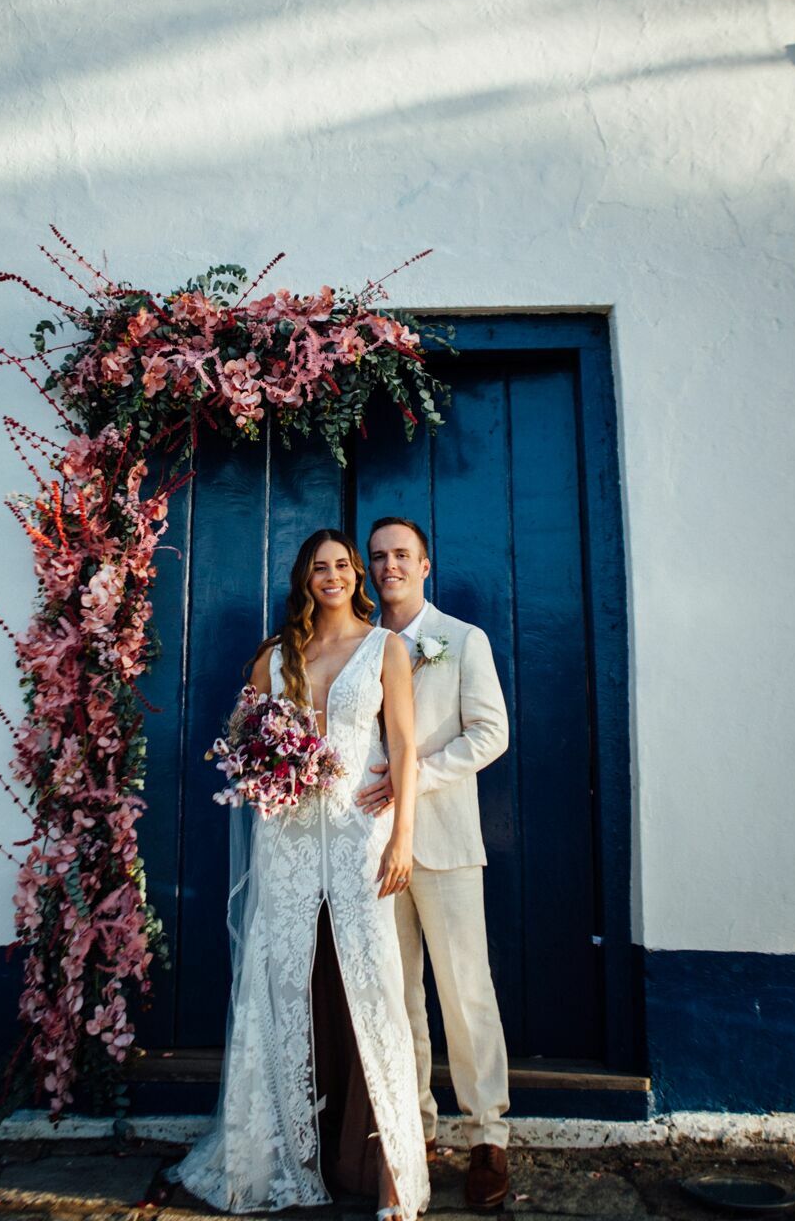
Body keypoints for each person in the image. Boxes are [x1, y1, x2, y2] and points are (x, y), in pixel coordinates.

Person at [172, 529, 430, 1221]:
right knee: (276, 976)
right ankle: (273, 1155)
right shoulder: (277, 655)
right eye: (320, 568)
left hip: (357, 834)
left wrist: (402, 833)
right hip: (284, 836)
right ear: (304, 579)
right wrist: (270, 768)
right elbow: (242, 738)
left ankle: (397, 1175)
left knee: (375, 980)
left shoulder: (386, 648)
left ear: (358, 576)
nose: (334, 576)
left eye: (344, 565)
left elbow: (403, 745)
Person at [357, 517, 511, 1210]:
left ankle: (487, 1134)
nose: (389, 566)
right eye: (379, 557)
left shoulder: (462, 641)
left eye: (401, 556)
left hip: (444, 842)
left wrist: (413, 776)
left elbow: (490, 733)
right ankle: (413, 1127)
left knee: (464, 990)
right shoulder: (361, 645)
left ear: (425, 566)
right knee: (397, 996)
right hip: (371, 846)